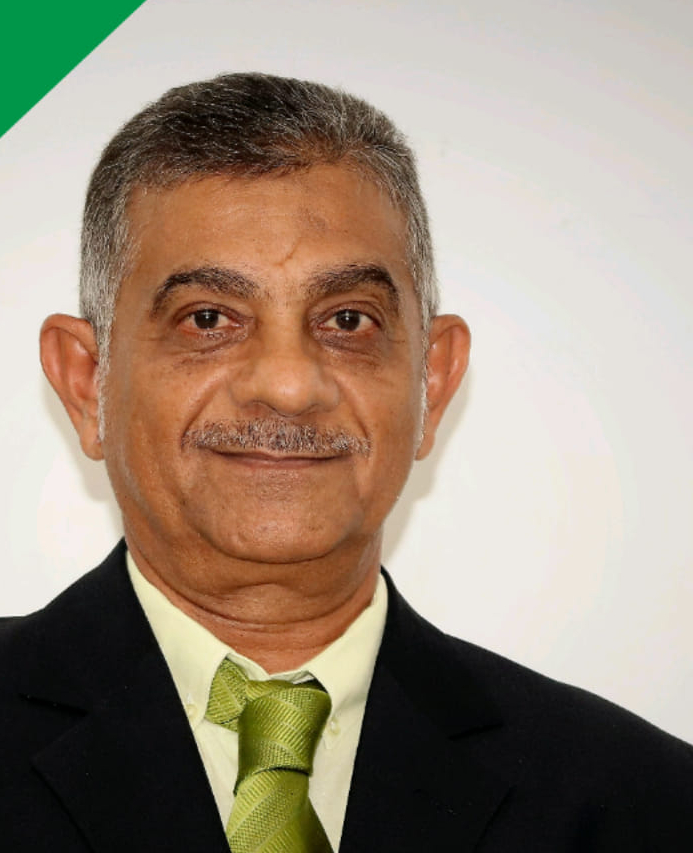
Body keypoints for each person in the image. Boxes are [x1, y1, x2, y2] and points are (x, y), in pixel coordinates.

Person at [1, 72, 691, 852]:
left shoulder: (647, 804)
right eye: (208, 318)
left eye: (348, 320)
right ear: (85, 380)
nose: (289, 385)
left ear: (433, 380)